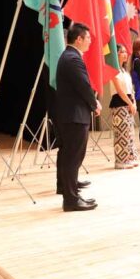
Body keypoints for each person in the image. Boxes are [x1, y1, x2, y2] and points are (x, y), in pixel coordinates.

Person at [55, 23, 100, 212]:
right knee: (73, 157)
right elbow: (83, 85)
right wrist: (94, 103)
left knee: (69, 156)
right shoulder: (73, 59)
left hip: (70, 114)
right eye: (88, 37)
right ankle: (71, 200)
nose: (90, 41)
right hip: (74, 115)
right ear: (79, 39)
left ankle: (69, 192)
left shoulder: (68, 56)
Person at [109, 44, 138, 169]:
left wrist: (134, 102)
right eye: (122, 52)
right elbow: (120, 90)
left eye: (126, 52)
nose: (125, 54)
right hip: (119, 103)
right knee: (121, 133)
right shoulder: (113, 70)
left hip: (129, 102)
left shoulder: (125, 71)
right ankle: (121, 160)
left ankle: (130, 157)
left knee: (129, 132)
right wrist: (130, 103)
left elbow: (131, 89)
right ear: (116, 54)